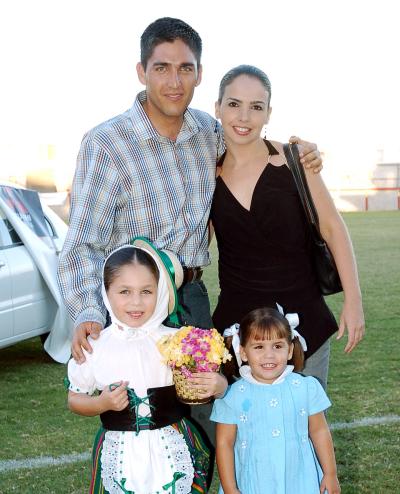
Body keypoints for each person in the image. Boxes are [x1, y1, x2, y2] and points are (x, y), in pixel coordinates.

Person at [57, 18, 322, 460]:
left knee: (202, 421)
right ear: (141, 72)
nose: (174, 81)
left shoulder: (208, 132)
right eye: (162, 67)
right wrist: (86, 309)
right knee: (142, 423)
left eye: (185, 68)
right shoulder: (107, 143)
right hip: (135, 308)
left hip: (192, 300)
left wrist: (303, 151)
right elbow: (82, 242)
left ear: (200, 73)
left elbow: (252, 141)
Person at [210, 65, 365, 388]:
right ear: (218, 108)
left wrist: (354, 300)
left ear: (268, 114)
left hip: (303, 325)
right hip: (237, 332)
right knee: (242, 435)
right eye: (234, 104)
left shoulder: (296, 160)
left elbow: (333, 228)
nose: (244, 117)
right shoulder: (207, 174)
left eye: (256, 107)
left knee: (306, 430)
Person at [66, 239, 225, 493]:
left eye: (146, 291)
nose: (136, 302)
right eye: (124, 291)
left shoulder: (177, 340)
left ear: (160, 291)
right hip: (120, 455)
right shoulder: (95, 346)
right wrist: (101, 404)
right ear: (106, 292)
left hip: (171, 448)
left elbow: (205, 388)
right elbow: (74, 399)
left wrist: (219, 385)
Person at [210, 307, 341, 494]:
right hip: (254, 483)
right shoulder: (231, 396)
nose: (269, 355)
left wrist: (330, 473)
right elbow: (225, 443)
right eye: (259, 347)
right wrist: (230, 488)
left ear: (290, 350)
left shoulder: (306, 388)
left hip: (300, 481)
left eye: (278, 346)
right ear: (244, 353)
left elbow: (319, 430)